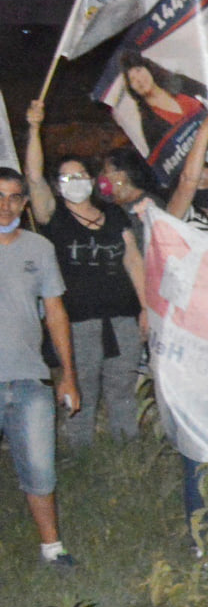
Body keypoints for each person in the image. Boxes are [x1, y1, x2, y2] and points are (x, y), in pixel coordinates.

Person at [24, 102, 145, 447]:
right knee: (81, 391)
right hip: (77, 322)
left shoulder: (115, 215)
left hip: (122, 318)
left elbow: (133, 260)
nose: (75, 182)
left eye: (81, 176)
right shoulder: (55, 217)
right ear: (59, 185)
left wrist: (146, 307)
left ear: (92, 181)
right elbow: (33, 176)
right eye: (67, 178)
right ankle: (81, 457)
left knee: (122, 389)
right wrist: (35, 129)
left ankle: (127, 454)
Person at [0, 170, 80, 569]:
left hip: (28, 377)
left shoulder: (39, 248)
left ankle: (52, 550)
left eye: (15, 198)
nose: (5, 206)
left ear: (24, 204)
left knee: (40, 470)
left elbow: (55, 313)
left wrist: (67, 373)